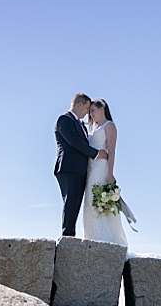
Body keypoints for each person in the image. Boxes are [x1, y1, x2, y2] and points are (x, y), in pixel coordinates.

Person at [54, 93, 108, 237]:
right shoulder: (64, 119)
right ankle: (67, 237)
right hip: (69, 167)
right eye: (87, 109)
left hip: (81, 170)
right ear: (80, 104)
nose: (87, 114)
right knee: (71, 202)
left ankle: (70, 237)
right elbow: (74, 140)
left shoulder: (81, 125)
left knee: (76, 204)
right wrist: (96, 153)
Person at [81, 99, 128, 246]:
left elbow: (112, 151)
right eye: (90, 112)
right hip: (90, 169)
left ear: (102, 109)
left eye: (93, 111)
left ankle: (107, 239)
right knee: (89, 202)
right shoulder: (93, 129)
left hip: (101, 168)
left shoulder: (109, 126)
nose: (91, 114)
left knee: (98, 202)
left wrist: (110, 173)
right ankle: (91, 237)